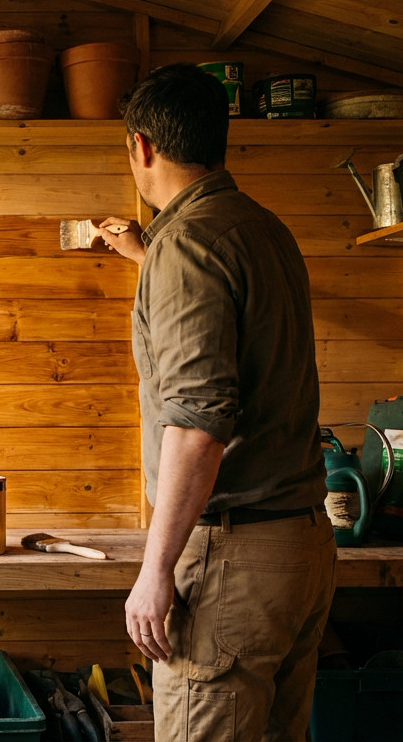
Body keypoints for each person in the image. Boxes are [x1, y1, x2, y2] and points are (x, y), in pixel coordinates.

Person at [91, 63, 335, 741]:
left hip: (234, 562)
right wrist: (148, 260)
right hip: (302, 548)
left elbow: (198, 425)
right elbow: (239, 326)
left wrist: (156, 570)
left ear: (141, 146)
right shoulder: (261, 229)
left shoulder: (187, 244)